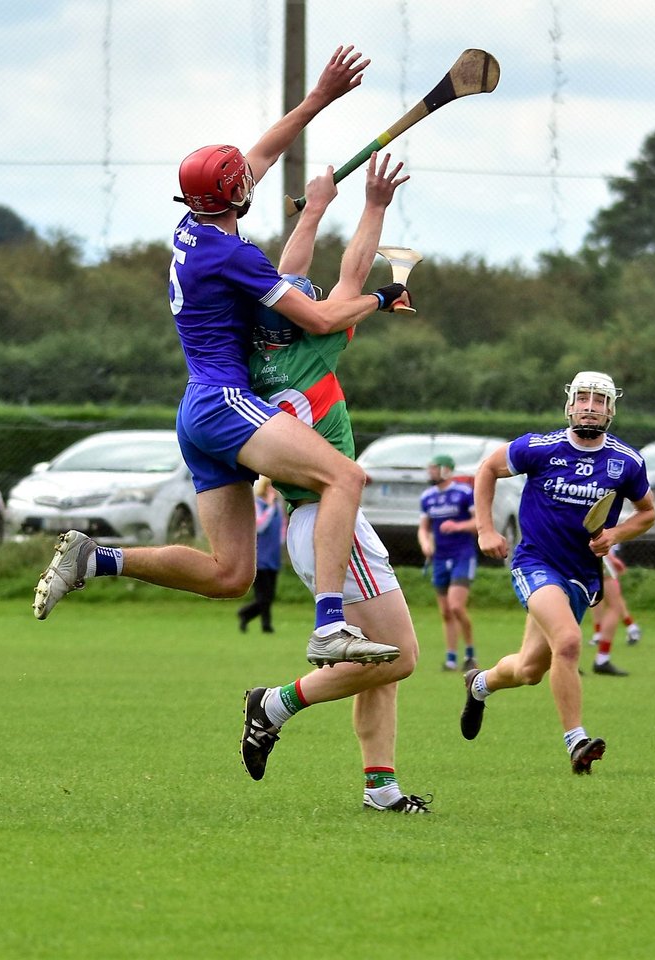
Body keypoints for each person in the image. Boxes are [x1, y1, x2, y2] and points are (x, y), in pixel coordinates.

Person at [31, 46, 410, 671]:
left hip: (196, 413)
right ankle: (328, 623)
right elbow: (317, 314)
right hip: (225, 402)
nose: (252, 176)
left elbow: (259, 156)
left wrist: (320, 100)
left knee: (230, 572)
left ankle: (97, 559)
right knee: (346, 476)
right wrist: (382, 295)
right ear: (239, 195)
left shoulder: (192, 227)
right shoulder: (237, 259)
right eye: (244, 180)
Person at [239, 153, 431, 813]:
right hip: (330, 519)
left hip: (313, 519)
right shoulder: (311, 344)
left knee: (378, 658)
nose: (309, 297)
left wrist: (316, 207)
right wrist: (374, 204)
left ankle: (382, 789)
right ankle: (275, 702)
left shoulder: (253, 355)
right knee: (401, 655)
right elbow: (349, 277)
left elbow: (290, 273)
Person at [460, 371, 655, 775]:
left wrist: (615, 535)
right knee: (568, 642)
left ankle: (479, 684)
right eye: (582, 398)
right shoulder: (538, 447)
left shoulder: (627, 462)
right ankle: (576, 741)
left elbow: (648, 513)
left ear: (610, 410)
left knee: (530, 670)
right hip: (535, 563)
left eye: (599, 400)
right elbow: (486, 470)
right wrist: (485, 529)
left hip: (582, 577)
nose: (589, 406)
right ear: (569, 405)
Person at [418, 454, 479, 672]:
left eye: (435, 468)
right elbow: (424, 527)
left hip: (463, 555)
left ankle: (470, 652)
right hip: (440, 558)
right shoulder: (427, 497)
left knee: (456, 606)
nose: (431, 472)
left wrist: (457, 526)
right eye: (430, 468)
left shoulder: (463, 493)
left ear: (447, 470)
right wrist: (426, 544)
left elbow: (477, 522)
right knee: (445, 611)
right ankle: (452, 658)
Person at [238, 476, 284, 634]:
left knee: (268, 597)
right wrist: (270, 507)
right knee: (263, 597)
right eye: (271, 487)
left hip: (273, 558)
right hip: (260, 559)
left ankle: (247, 615)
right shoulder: (259, 506)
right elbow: (260, 526)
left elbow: (281, 532)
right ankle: (264, 624)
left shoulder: (277, 508)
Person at [588, 545, 641, 676]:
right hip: (593, 551)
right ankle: (602, 659)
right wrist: (611, 558)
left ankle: (564, 658)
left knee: (592, 598)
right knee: (614, 605)